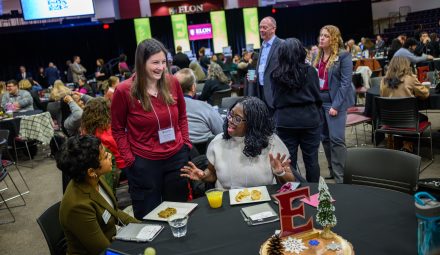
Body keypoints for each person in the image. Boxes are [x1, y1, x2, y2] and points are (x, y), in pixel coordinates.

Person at [111, 38, 191, 219]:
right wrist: (130, 160)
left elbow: (182, 117)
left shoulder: (172, 82)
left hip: (176, 157)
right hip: (144, 162)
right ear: (141, 63)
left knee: (179, 212)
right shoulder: (124, 91)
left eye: (163, 62)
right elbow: (117, 129)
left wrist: (185, 144)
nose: (160, 67)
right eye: (155, 62)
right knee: (149, 216)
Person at [181, 97, 295, 189]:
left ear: (253, 124)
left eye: (237, 119)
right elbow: (212, 173)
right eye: (230, 114)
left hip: (262, 201)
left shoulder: (272, 142)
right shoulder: (218, 142)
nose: (230, 120)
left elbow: (291, 184)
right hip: (226, 202)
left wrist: (280, 173)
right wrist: (203, 176)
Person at [57, 135, 139, 255]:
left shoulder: (94, 179)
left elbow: (114, 211)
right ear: (91, 171)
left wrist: (142, 226)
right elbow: (103, 250)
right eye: (105, 156)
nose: (110, 156)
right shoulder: (78, 207)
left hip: (112, 240)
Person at [271, 38, 322, 183]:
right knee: (312, 160)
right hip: (310, 119)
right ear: (301, 52)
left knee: (288, 162)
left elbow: (274, 101)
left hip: (285, 122)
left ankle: (293, 192)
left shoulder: (275, 74)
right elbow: (318, 97)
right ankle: (314, 193)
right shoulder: (311, 71)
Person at [313, 25, 355, 183]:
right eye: (321, 35)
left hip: (335, 102)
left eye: (326, 36)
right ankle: (332, 170)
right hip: (320, 102)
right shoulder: (317, 55)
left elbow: (345, 83)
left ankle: (341, 176)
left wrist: (336, 106)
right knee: (325, 138)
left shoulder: (343, 56)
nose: (321, 38)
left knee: (337, 139)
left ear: (334, 39)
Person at [380, 56, 429, 152]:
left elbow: (383, 97)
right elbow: (425, 94)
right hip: (407, 119)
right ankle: (408, 144)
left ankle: (400, 141)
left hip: (388, 119)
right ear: (406, 66)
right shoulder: (410, 79)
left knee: (405, 118)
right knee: (423, 118)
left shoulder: (383, 81)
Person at [81, 97, 125, 189]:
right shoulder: (109, 133)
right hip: (117, 169)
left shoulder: (85, 130)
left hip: (98, 170)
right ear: (107, 112)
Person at [174, 68, 223, 144]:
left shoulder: (166, 110)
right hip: (207, 153)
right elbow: (221, 131)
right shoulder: (205, 107)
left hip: (178, 152)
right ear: (193, 87)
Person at [250, 16, 283, 111]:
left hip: (274, 93)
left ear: (273, 29)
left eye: (264, 27)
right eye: (260, 27)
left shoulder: (281, 45)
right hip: (260, 90)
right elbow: (261, 68)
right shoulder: (263, 46)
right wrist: (254, 77)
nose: (261, 30)